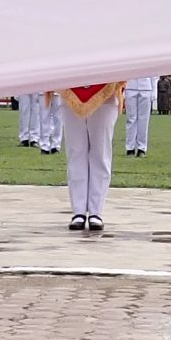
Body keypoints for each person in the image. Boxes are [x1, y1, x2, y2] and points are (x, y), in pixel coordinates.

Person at [57, 83, 120, 231]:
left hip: (105, 91)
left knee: (101, 152)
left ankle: (95, 211)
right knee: (76, 152)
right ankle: (78, 211)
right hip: (71, 88)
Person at [122, 73, 155, 156]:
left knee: (144, 120)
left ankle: (142, 148)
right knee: (131, 119)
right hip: (130, 86)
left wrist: (154, 91)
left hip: (146, 87)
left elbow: (154, 74)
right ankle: (130, 148)